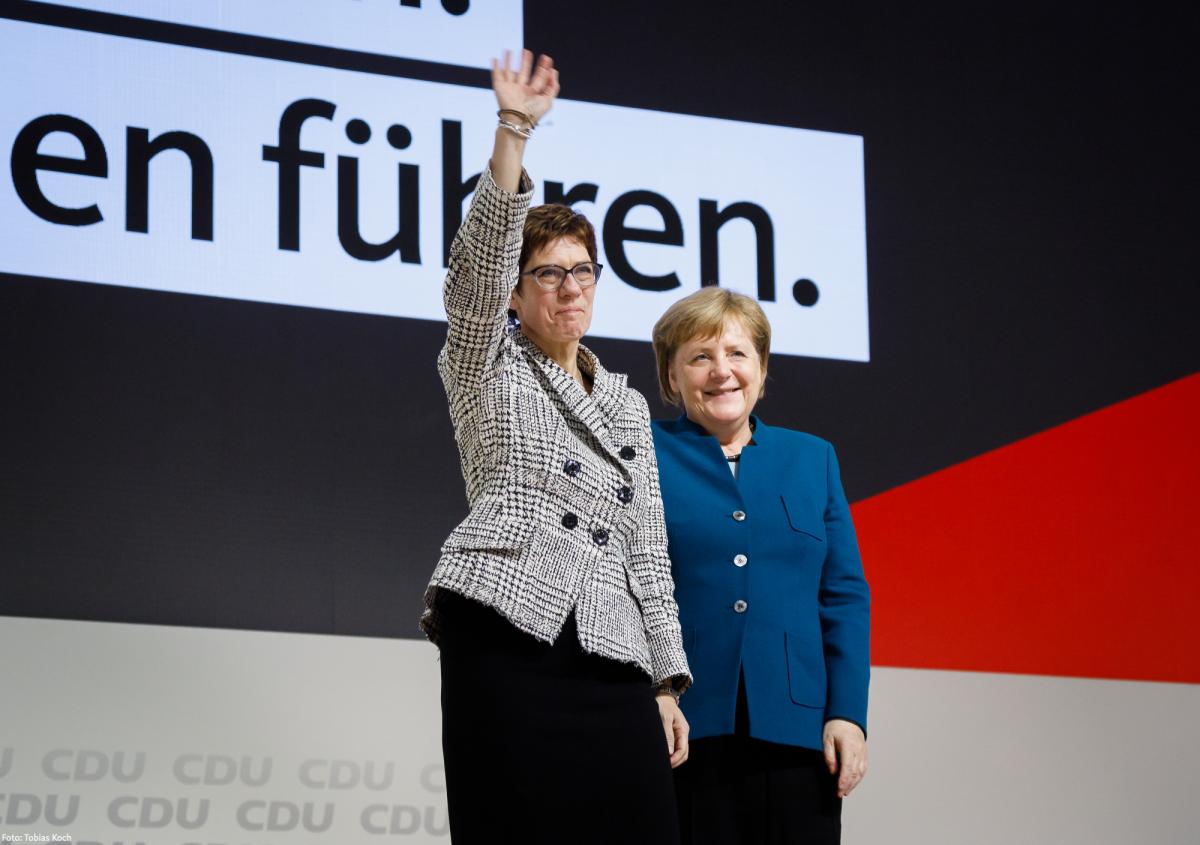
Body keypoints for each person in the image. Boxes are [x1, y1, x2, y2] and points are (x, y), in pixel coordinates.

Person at [420, 50, 691, 843]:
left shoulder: (627, 402)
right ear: (514, 291)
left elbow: (647, 549)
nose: (571, 286)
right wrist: (513, 132)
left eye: (583, 269)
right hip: (506, 633)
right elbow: (472, 276)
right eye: (547, 273)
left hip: (611, 654)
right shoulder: (483, 359)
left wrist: (666, 681)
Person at [649, 287, 870, 845]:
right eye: (699, 357)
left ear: (762, 368)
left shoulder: (812, 457)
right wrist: (656, 689)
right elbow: (623, 586)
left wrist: (847, 713)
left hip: (798, 732)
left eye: (737, 353)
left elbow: (842, 596)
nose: (721, 372)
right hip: (683, 728)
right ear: (672, 376)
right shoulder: (642, 453)